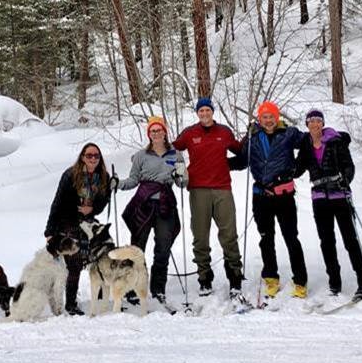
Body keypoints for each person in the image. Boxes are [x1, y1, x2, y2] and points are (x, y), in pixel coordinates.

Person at [231, 101, 308, 299]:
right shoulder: (253, 137)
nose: (268, 120)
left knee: (291, 238)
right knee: (266, 239)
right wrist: (215, 164)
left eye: (271, 117)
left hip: (284, 196)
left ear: (277, 117)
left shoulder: (289, 133)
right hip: (261, 197)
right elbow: (241, 161)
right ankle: (271, 278)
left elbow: (310, 143)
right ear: (260, 118)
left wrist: (296, 169)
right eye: (265, 117)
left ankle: (300, 281)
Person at [295, 109, 362, 301]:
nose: (314, 124)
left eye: (318, 121)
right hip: (319, 199)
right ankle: (334, 283)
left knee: (350, 241)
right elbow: (297, 170)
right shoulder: (306, 145)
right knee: (327, 242)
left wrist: (345, 180)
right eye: (311, 121)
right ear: (307, 124)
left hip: (339, 196)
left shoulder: (336, 141)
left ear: (322, 123)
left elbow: (349, 166)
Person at [173, 97, 245, 300]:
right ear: (197, 113)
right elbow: (173, 148)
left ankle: (235, 276)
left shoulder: (223, 132)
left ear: (212, 112)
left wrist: (250, 138)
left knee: (229, 234)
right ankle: (204, 277)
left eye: (207, 110)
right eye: (201, 110)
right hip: (198, 190)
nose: (204, 113)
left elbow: (239, 150)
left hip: (222, 189)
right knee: (200, 236)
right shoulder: (190, 133)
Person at [117, 116, 186, 307]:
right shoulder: (140, 156)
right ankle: (134, 288)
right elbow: (132, 180)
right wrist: (117, 184)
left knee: (163, 248)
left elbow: (182, 183)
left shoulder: (176, 155)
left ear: (165, 132)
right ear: (149, 134)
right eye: (152, 131)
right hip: (143, 204)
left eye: (159, 130)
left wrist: (179, 176)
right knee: (137, 249)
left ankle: (158, 290)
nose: (156, 134)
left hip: (165, 205)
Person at [44, 142, 111, 315]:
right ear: (82, 157)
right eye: (89, 155)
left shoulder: (103, 177)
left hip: (88, 219)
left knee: (100, 254)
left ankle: (102, 297)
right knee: (74, 261)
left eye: (96, 156)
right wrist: (50, 231)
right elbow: (57, 202)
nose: (93, 159)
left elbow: (103, 202)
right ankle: (71, 303)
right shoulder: (70, 175)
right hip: (68, 219)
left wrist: (92, 209)